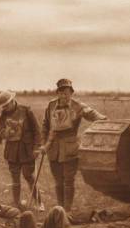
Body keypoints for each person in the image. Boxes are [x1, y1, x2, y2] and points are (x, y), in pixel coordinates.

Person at [40, 79, 106, 213]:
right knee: (58, 181)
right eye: (61, 92)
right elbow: (45, 125)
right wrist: (43, 144)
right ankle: (60, 208)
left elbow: (95, 116)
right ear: (57, 93)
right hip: (53, 149)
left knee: (68, 181)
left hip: (70, 149)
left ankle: (67, 210)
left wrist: (103, 121)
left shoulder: (78, 106)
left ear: (71, 93)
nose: (64, 95)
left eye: (67, 92)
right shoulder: (51, 105)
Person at [0, 91, 43, 210]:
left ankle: (39, 203)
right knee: (15, 177)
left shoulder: (27, 111)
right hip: (12, 151)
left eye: (6, 105)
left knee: (28, 176)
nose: (5, 108)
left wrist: (37, 147)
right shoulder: (3, 115)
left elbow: (37, 131)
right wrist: (4, 133)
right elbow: (1, 130)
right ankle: (16, 204)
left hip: (26, 150)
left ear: (12, 101)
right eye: (3, 107)